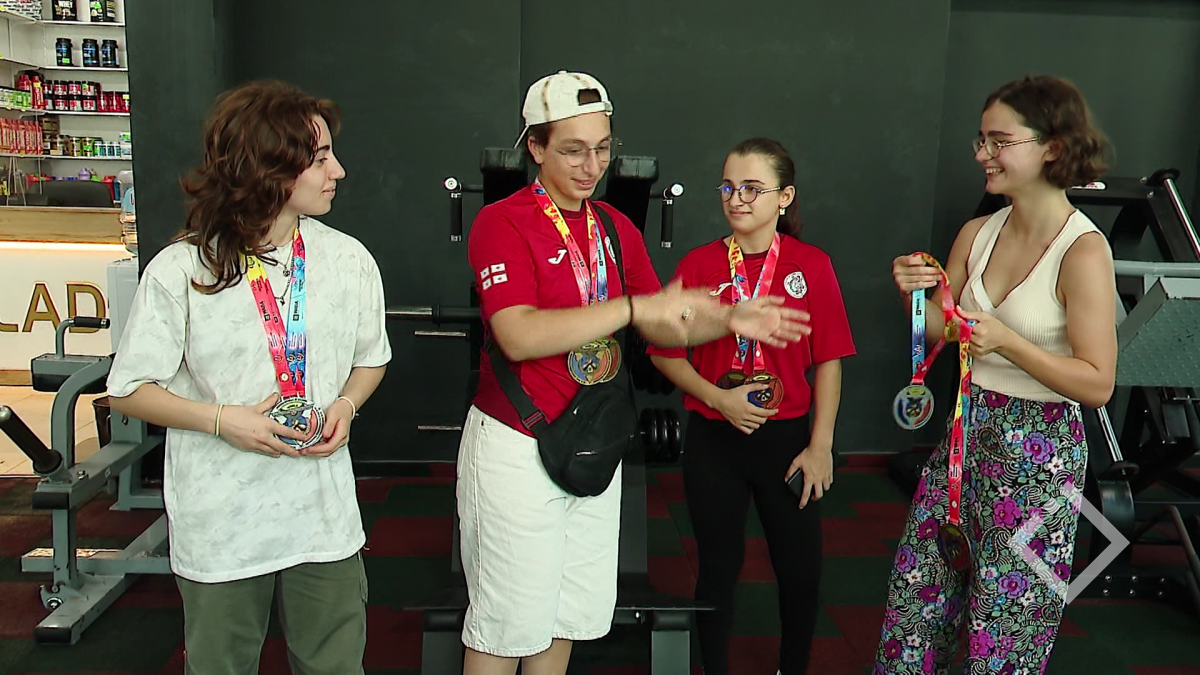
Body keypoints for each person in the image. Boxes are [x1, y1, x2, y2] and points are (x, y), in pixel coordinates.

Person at [459, 72, 811, 675]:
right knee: (503, 626)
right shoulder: (502, 221)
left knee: (566, 616)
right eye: (573, 150)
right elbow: (517, 334)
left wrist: (728, 318)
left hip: (592, 439)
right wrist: (628, 309)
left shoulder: (614, 228)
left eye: (602, 148)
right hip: (516, 441)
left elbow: (664, 322)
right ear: (535, 147)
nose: (592, 165)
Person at [105, 80, 390, 675]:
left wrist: (347, 404)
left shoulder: (349, 260)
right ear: (268, 167)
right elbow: (128, 389)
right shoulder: (183, 268)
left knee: (335, 664)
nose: (338, 170)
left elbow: (372, 357)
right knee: (221, 664)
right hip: (223, 516)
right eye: (319, 158)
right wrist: (221, 421)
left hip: (321, 512)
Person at [875, 75, 1117, 674]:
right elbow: (941, 329)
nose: (983, 154)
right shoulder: (978, 233)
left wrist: (1009, 343)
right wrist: (913, 293)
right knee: (914, 614)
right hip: (966, 438)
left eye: (999, 141)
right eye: (981, 140)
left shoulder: (1083, 251)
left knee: (1005, 640)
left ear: (1052, 146)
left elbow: (1098, 383)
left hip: (1041, 459)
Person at [647, 137, 856, 675]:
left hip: (788, 442)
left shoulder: (811, 266)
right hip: (714, 438)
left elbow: (829, 361)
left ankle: (793, 667)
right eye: (728, 187)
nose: (736, 199)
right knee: (717, 569)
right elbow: (664, 354)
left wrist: (821, 447)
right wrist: (719, 398)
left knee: (800, 571)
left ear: (785, 197)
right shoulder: (699, 263)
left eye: (751, 189)